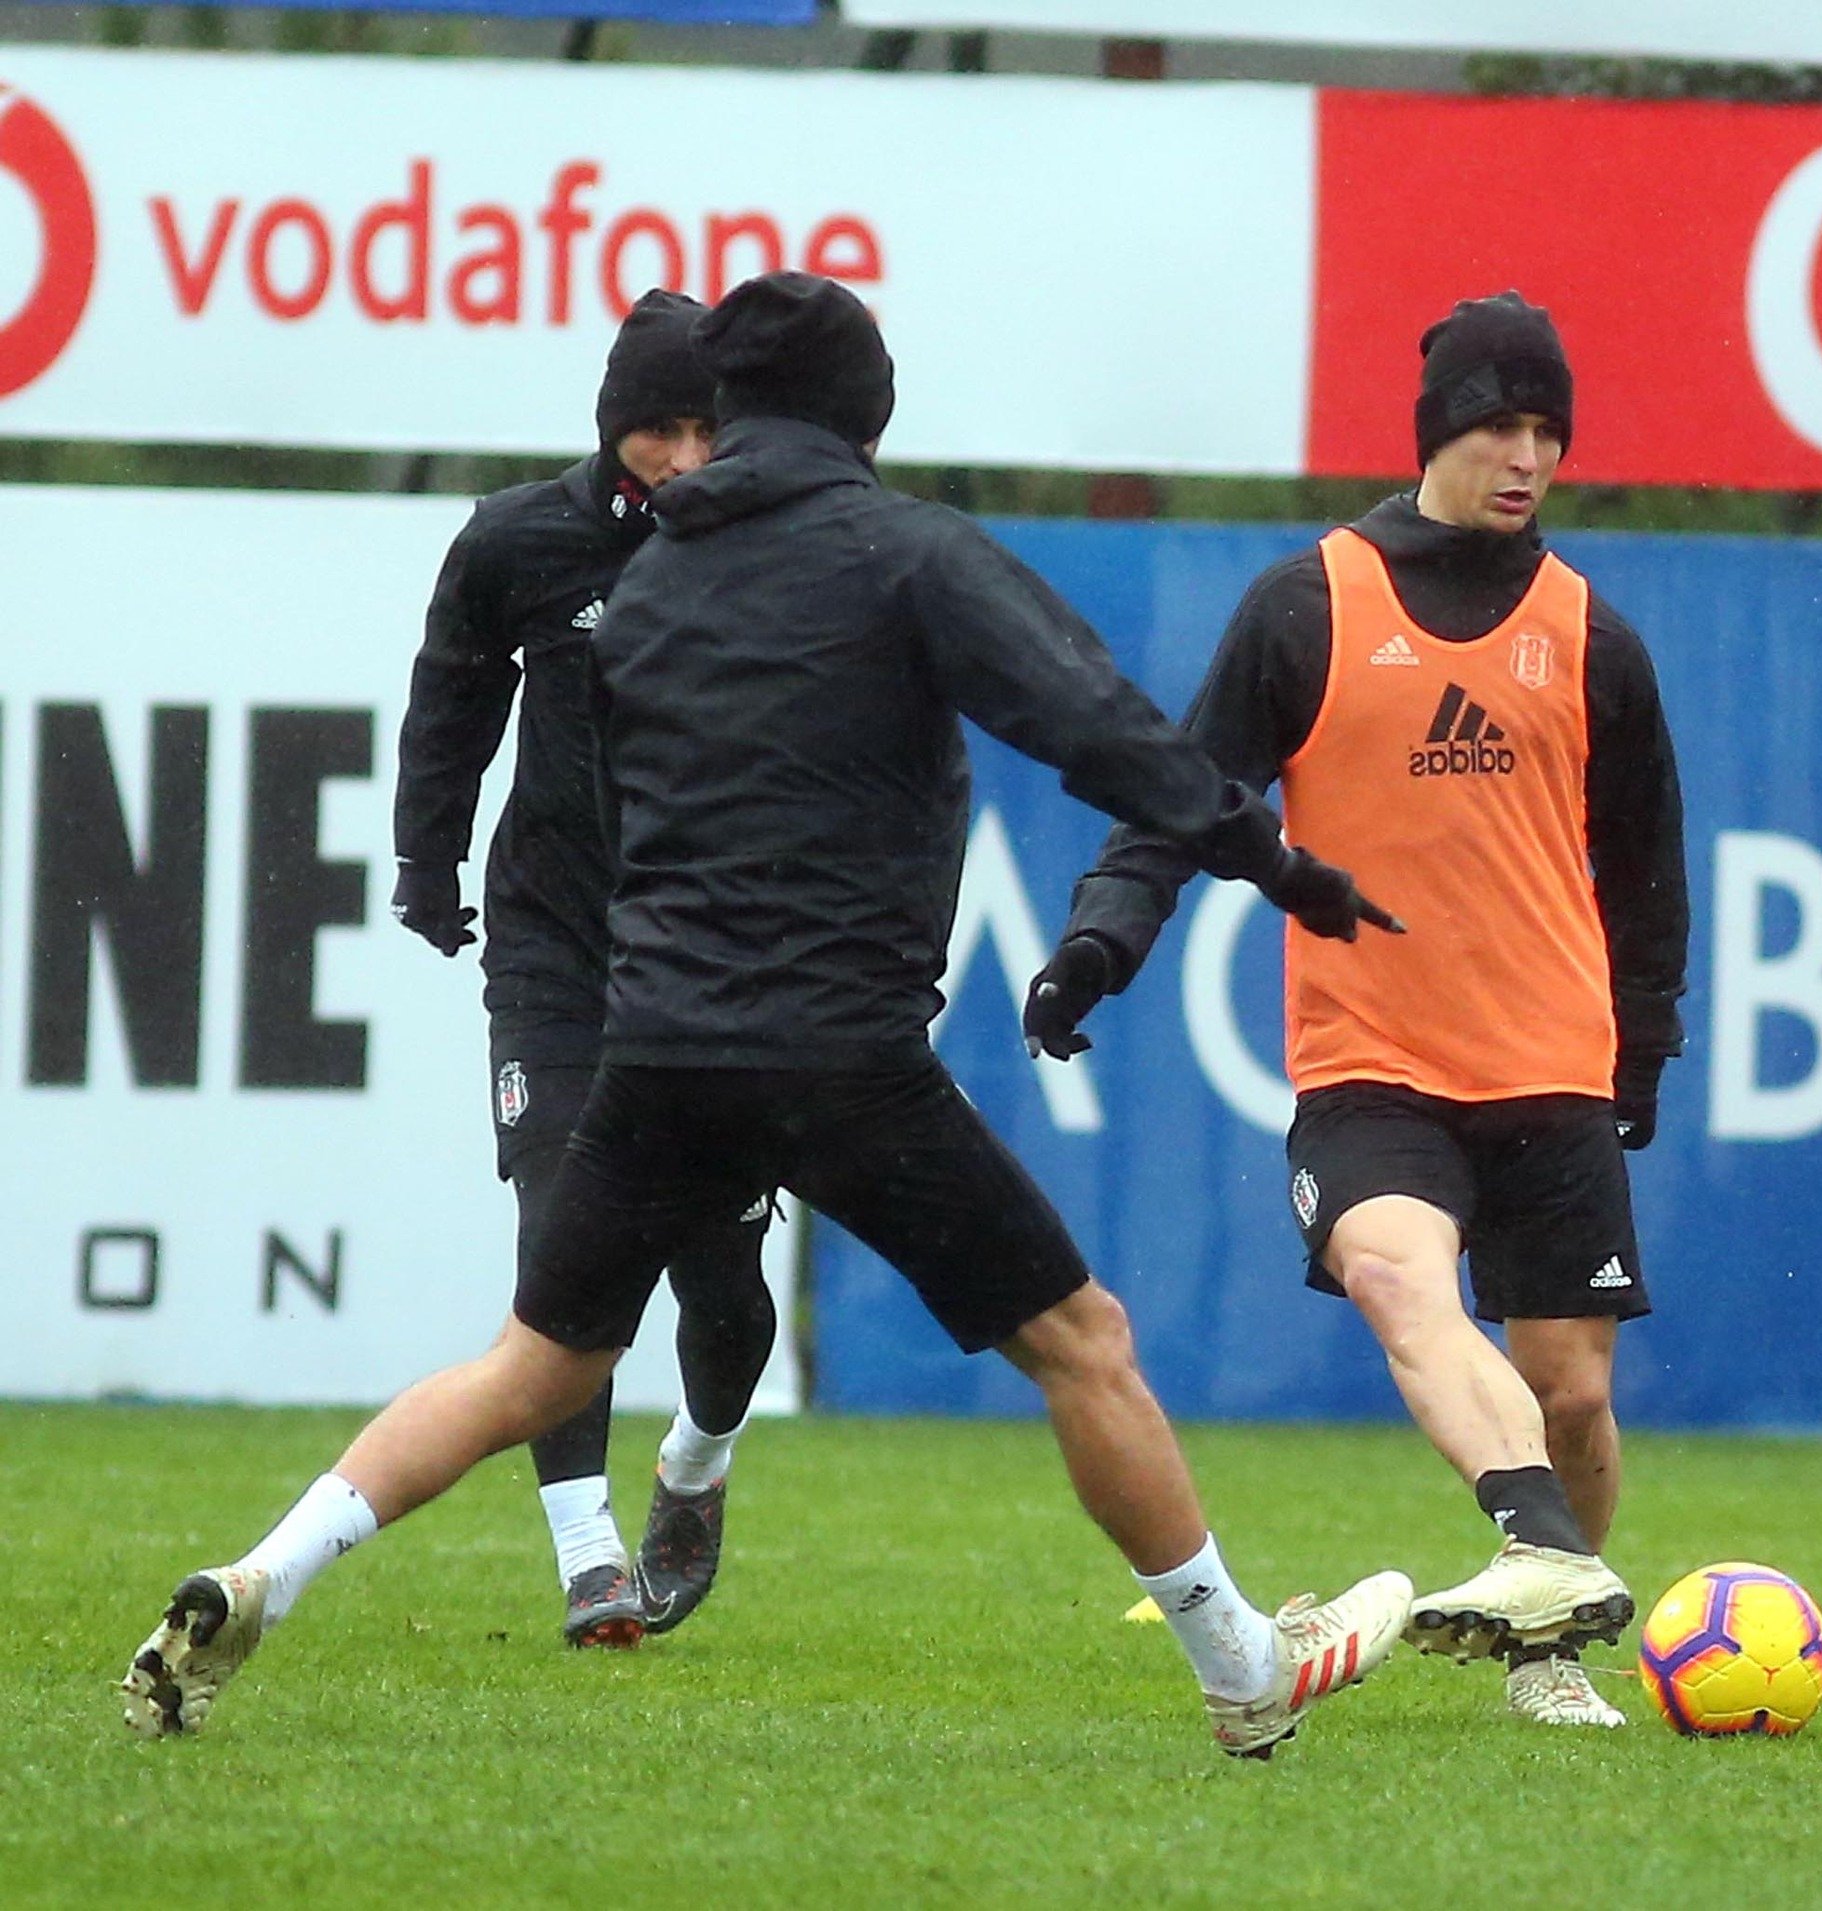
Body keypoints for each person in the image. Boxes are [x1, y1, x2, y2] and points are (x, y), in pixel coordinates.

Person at [122, 271, 1413, 1760]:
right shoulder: (908, 556)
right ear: (871, 405)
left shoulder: (654, 586)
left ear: (726, 416)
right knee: (1085, 1341)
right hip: (843, 1057)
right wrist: (1274, 861)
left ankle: (261, 1576)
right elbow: (1094, 725)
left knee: (530, 1364)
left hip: (658, 1048)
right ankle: (1243, 1669)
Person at [1025, 292, 1688, 1729]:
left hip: (1549, 1062)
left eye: (1547, 432)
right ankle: (1542, 1548)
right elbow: (1180, 807)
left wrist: (1645, 1042)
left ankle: (1547, 1636)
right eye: (1502, 425)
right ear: (1442, 430)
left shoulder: (1592, 637)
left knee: (1570, 1389)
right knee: (1399, 1280)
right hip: (1370, 1063)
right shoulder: (1310, 604)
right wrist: (1097, 945)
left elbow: (1646, 870)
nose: (1528, 456)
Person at [389, 289, 776, 1649]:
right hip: (555, 950)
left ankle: (699, 1461)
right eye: (651, 428)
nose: (676, 456)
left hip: (715, 965)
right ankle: (589, 1554)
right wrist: (425, 864)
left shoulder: (784, 554)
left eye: (701, 429)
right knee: (566, 1247)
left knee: (721, 1297)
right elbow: (450, 702)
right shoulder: (520, 544)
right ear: (610, 429)